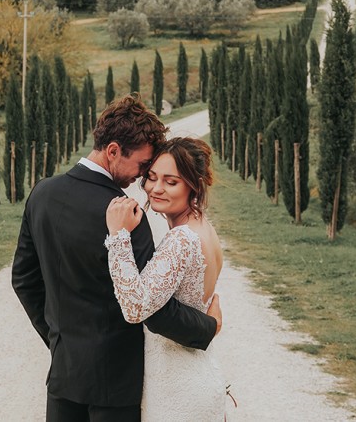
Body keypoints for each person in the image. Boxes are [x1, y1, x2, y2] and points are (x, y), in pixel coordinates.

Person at [13, 94, 221, 422]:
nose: (141, 177)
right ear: (113, 151)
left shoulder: (42, 194)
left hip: (64, 377)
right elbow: (153, 309)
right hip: (116, 386)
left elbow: (24, 280)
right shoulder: (127, 215)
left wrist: (59, 342)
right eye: (142, 165)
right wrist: (207, 327)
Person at [105, 137, 225, 421]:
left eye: (171, 182)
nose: (156, 188)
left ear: (194, 185)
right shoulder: (203, 227)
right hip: (196, 372)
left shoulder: (182, 239)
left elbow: (135, 308)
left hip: (178, 390)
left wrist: (118, 235)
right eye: (152, 177)